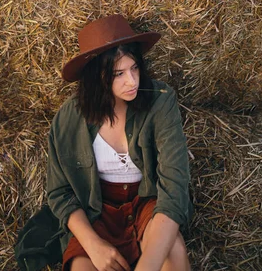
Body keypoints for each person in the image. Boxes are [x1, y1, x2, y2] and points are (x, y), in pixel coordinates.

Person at [47, 14, 193, 271]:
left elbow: (174, 187)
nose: (132, 81)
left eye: (134, 68)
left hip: (147, 202)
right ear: (96, 77)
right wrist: (92, 244)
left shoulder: (160, 101)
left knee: (174, 253)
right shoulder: (68, 118)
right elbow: (60, 193)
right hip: (96, 209)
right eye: (118, 73)